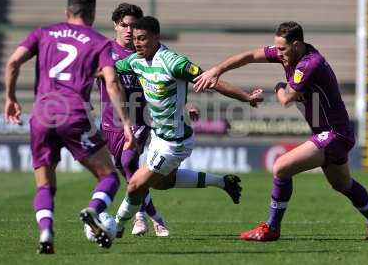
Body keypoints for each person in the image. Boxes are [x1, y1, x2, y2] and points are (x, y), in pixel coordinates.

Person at [193, 21, 368, 241]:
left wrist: (279, 85)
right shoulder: (290, 54)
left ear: (297, 45)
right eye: (276, 48)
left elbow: (286, 98)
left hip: (334, 133)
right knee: (342, 184)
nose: (278, 54)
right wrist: (216, 70)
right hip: (335, 132)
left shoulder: (309, 64)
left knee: (281, 167)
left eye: (282, 49)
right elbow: (251, 56)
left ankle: (271, 228)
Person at [4, 0, 134, 253]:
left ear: (67, 12)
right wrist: (127, 124)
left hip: (41, 115)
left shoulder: (43, 33)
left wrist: (11, 98)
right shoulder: (98, 42)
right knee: (109, 176)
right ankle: (94, 210)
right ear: (92, 14)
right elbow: (111, 81)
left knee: (44, 184)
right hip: (73, 113)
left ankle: (45, 233)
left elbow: (13, 62)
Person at [112, 16, 263, 236]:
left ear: (156, 37)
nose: (137, 43)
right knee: (162, 184)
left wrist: (246, 97)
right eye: (135, 39)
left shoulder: (174, 62)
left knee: (136, 185)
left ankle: (113, 229)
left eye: (143, 38)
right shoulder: (135, 60)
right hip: (158, 136)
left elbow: (212, 81)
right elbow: (110, 68)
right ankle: (223, 182)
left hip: (175, 142)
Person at [90, 3, 169, 237]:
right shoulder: (104, 51)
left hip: (139, 121)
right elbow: (87, 74)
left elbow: (166, 82)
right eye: (123, 25)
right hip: (109, 125)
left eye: (133, 26)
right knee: (128, 174)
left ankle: (142, 218)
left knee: (128, 164)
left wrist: (185, 106)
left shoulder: (147, 52)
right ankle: (152, 217)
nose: (128, 30)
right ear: (115, 25)